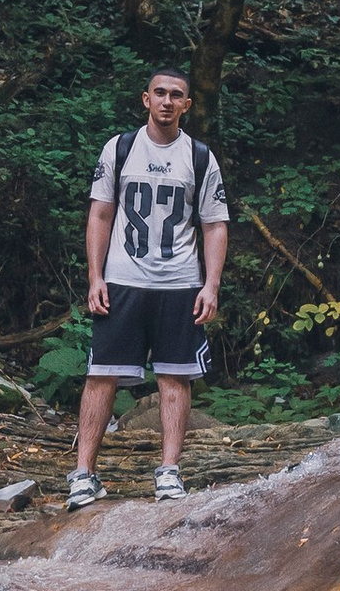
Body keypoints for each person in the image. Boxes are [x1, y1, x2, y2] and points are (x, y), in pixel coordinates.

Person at [66, 67, 228, 508]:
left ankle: (169, 472)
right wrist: (95, 276)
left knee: (175, 377)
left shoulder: (199, 157)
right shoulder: (120, 149)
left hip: (179, 282)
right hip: (123, 280)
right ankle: (83, 475)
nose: (167, 101)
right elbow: (100, 214)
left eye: (176, 95)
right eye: (160, 93)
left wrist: (211, 285)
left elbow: (214, 225)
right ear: (145, 99)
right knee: (100, 375)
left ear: (187, 105)